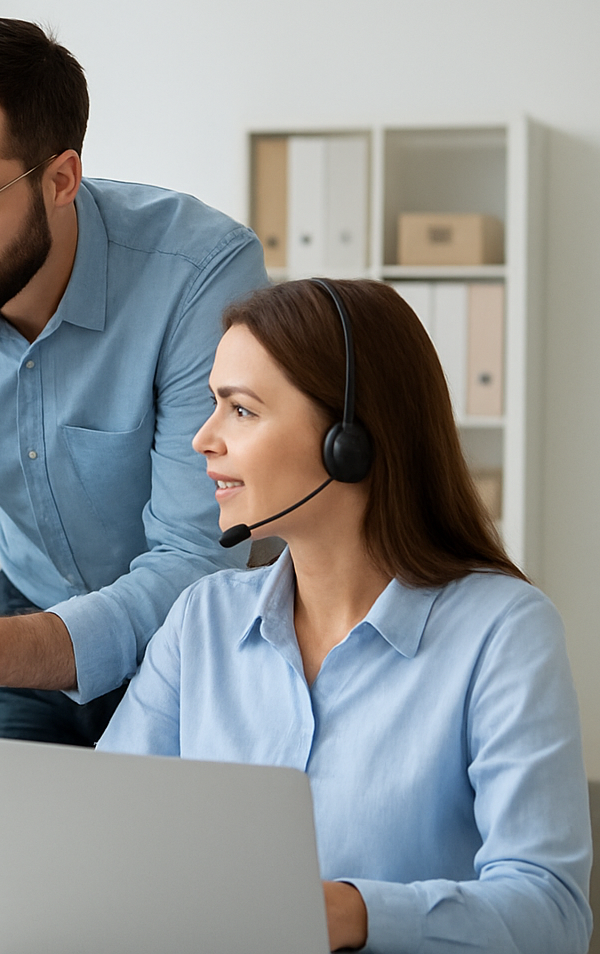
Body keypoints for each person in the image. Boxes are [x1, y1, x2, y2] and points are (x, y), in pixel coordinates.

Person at [97, 278, 592, 953]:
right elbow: (105, 838)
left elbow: (553, 914)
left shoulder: (503, 632)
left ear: (347, 439)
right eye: (214, 406)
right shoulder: (202, 620)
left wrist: (350, 913)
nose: (203, 439)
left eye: (240, 411)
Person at [0, 17, 269, 744]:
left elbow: (194, 559)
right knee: (15, 858)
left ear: (61, 179)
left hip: (198, 634)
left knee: (180, 862)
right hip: (28, 603)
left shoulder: (199, 276)